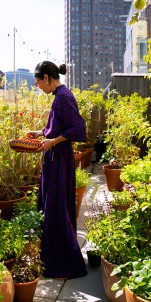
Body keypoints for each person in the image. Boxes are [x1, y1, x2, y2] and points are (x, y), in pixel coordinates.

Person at [28, 61, 87, 279]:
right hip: (55, 158)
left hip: (60, 159)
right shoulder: (60, 96)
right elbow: (59, 126)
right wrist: (40, 133)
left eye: (38, 83)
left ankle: (65, 263)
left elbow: (79, 129)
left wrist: (52, 142)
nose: (39, 87)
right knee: (52, 205)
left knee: (57, 207)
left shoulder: (63, 96)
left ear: (46, 78)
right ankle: (54, 258)